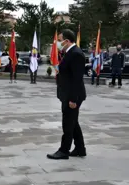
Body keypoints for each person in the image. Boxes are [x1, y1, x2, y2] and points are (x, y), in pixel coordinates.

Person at [47, 29, 87, 160]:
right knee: (73, 122)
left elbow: (77, 79)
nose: (58, 43)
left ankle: (64, 150)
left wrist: (73, 99)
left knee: (68, 124)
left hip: (72, 95)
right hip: (67, 93)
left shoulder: (76, 54)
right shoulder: (69, 53)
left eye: (59, 40)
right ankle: (80, 149)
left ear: (67, 41)